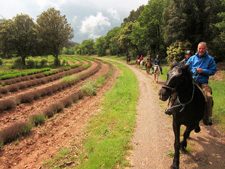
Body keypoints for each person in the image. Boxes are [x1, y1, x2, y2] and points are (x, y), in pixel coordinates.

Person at [186, 42, 217, 125]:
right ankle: (172, 109)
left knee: (208, 97)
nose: (201, 50)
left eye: (203, 48)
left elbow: (213, 70)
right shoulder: (192, 58)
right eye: (199, 48)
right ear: (197, 49)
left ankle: (207, 118)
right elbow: (185, 67)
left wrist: (203, 71)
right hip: (192, 81)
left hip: (203, 82)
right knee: (177, 89)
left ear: (206, 49)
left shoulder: (210, 59)